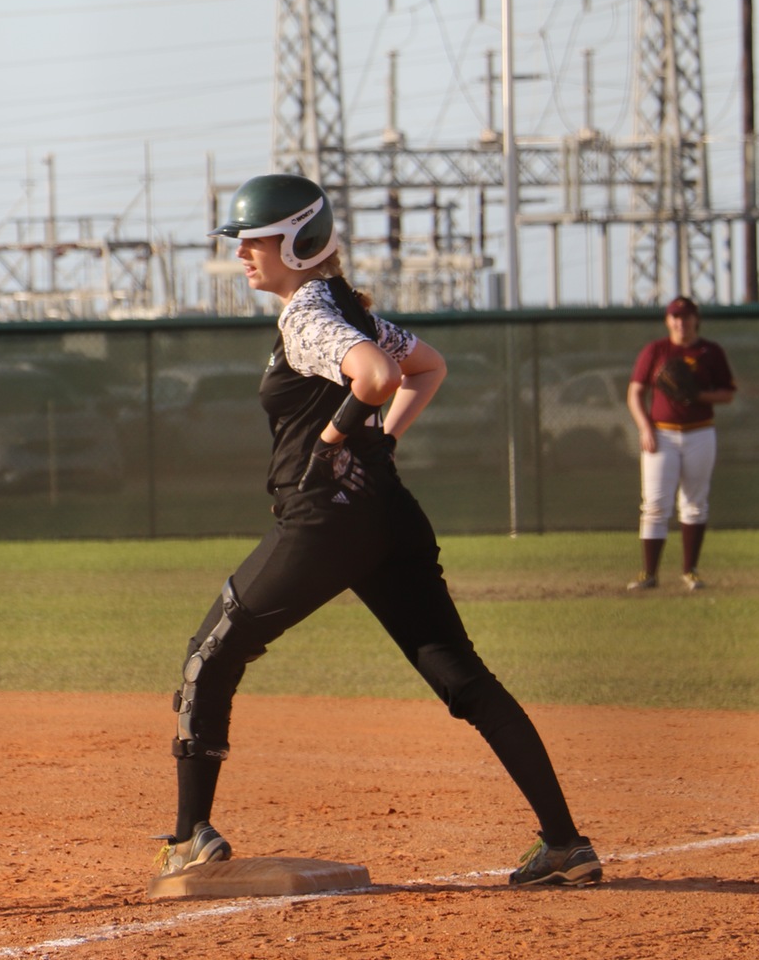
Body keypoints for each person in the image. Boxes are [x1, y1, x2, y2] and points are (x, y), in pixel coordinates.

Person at [155, 173, 601, 888]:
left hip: (323, 523)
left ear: (299, 241)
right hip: (387, 515)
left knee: (207, 657)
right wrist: (381, 442)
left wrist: (333, 437)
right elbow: (425, 367)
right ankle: (563, 843)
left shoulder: (309, 315)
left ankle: (185, 839)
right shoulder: (344, 307)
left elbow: (374, 374)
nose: (241, 253)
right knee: (464, 678)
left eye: (255, 240)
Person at [624, 295, 737, 592]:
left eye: (685, 317)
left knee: (695, 503)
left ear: (695, 319)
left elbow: (727, 394)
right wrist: (645, 427)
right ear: (667, 320)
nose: (680, 322)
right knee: (655, 504)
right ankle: (648, 573)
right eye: (675, 316)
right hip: (661, 434)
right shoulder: (656, 351)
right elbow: (635, 393)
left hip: (699, 432)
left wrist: (696, 395)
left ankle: (690, 571)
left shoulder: (709, 352)